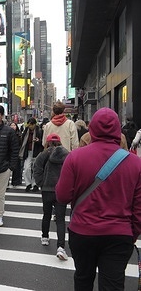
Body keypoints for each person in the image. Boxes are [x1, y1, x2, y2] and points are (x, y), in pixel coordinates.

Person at [56, 107, 141, 290]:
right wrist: (132, 233)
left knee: (83, 279)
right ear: (118, 130)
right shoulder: (136, 163)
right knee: (113, 284)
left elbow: (62, 196)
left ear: (91, 129)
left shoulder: (75, 157)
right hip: (119, 234)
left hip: (83, 231)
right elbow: (139, 207)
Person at [33, 133, 69, 260]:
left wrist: (41, 183)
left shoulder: (44, 154)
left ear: (47, 142)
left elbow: (36, 168)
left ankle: (45, 236)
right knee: (60, 219)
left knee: (46, 214)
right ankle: (61, 246)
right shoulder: (67, 154)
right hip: (61, 190)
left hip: (47, 189)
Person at [19, 118, 44, 192]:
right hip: (28, 152)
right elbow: (22, 141)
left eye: (31, 125)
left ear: (34, 124)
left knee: (35, 169)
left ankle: (35, 184)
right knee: (27, 168)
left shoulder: (39, 131)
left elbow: (43, 142)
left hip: (36, 152)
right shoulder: (26, 131)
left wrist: (38, 141)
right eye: (29, 124)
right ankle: (28, 184)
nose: (30, 126)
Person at [9, 121, 23, 186]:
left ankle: (16, 181)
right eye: (11, 125)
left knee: (17, 168)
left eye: (14, 125)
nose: (12, 127)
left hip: (17, 153)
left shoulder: (19, 135)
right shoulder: (7, 134)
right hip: (8, 153)